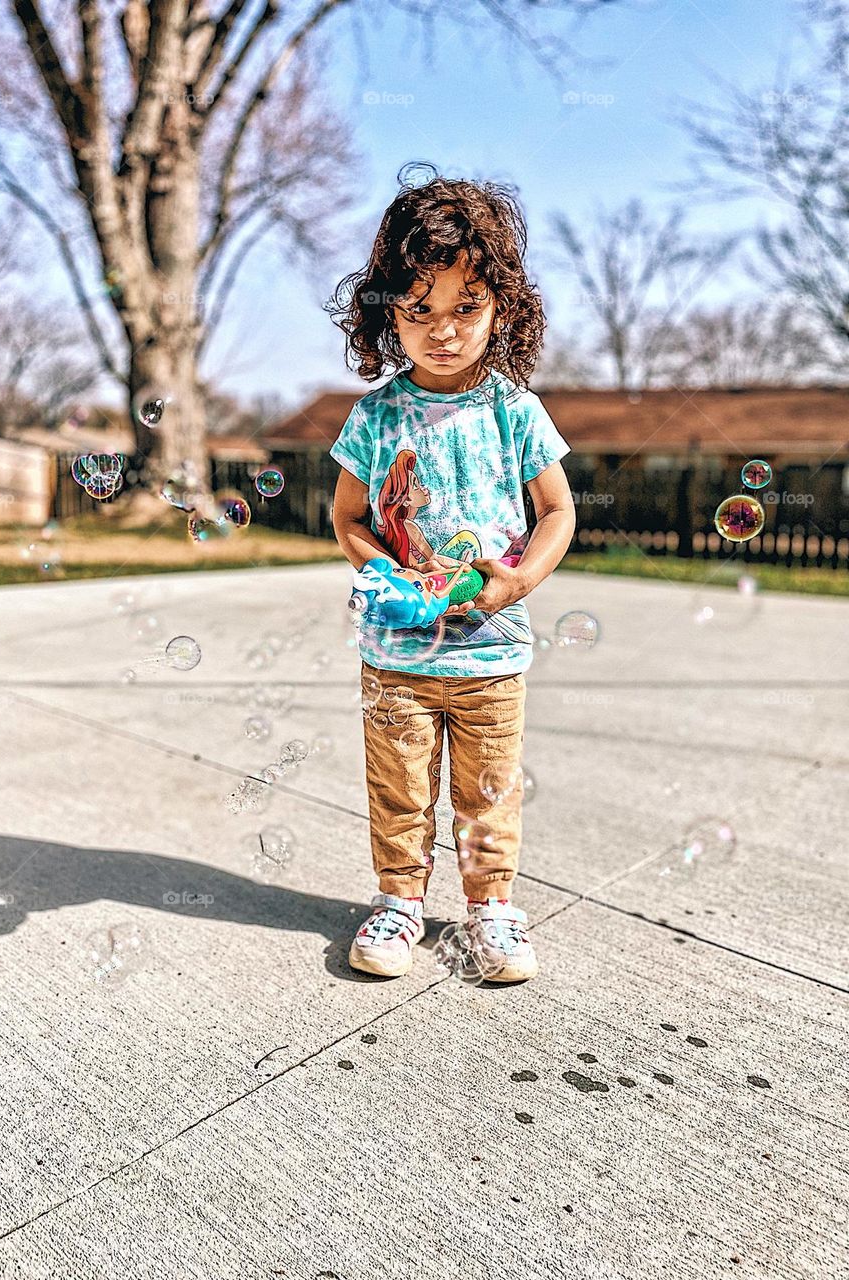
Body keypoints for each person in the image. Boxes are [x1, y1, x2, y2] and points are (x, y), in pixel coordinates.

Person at [326, 163, 576, 982]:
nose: (444, 328)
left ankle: (491, 909)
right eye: (419, 308)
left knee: (487, 792)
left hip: (490, 651)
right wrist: (386, 579)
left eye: (466, 305)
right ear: (386, 314)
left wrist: (516, 582)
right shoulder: (376, 416)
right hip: (397, 654)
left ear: (502, 305)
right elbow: (349, 518)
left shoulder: (513, 408)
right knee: (399, 790)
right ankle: (399, 903)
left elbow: (558, 513)